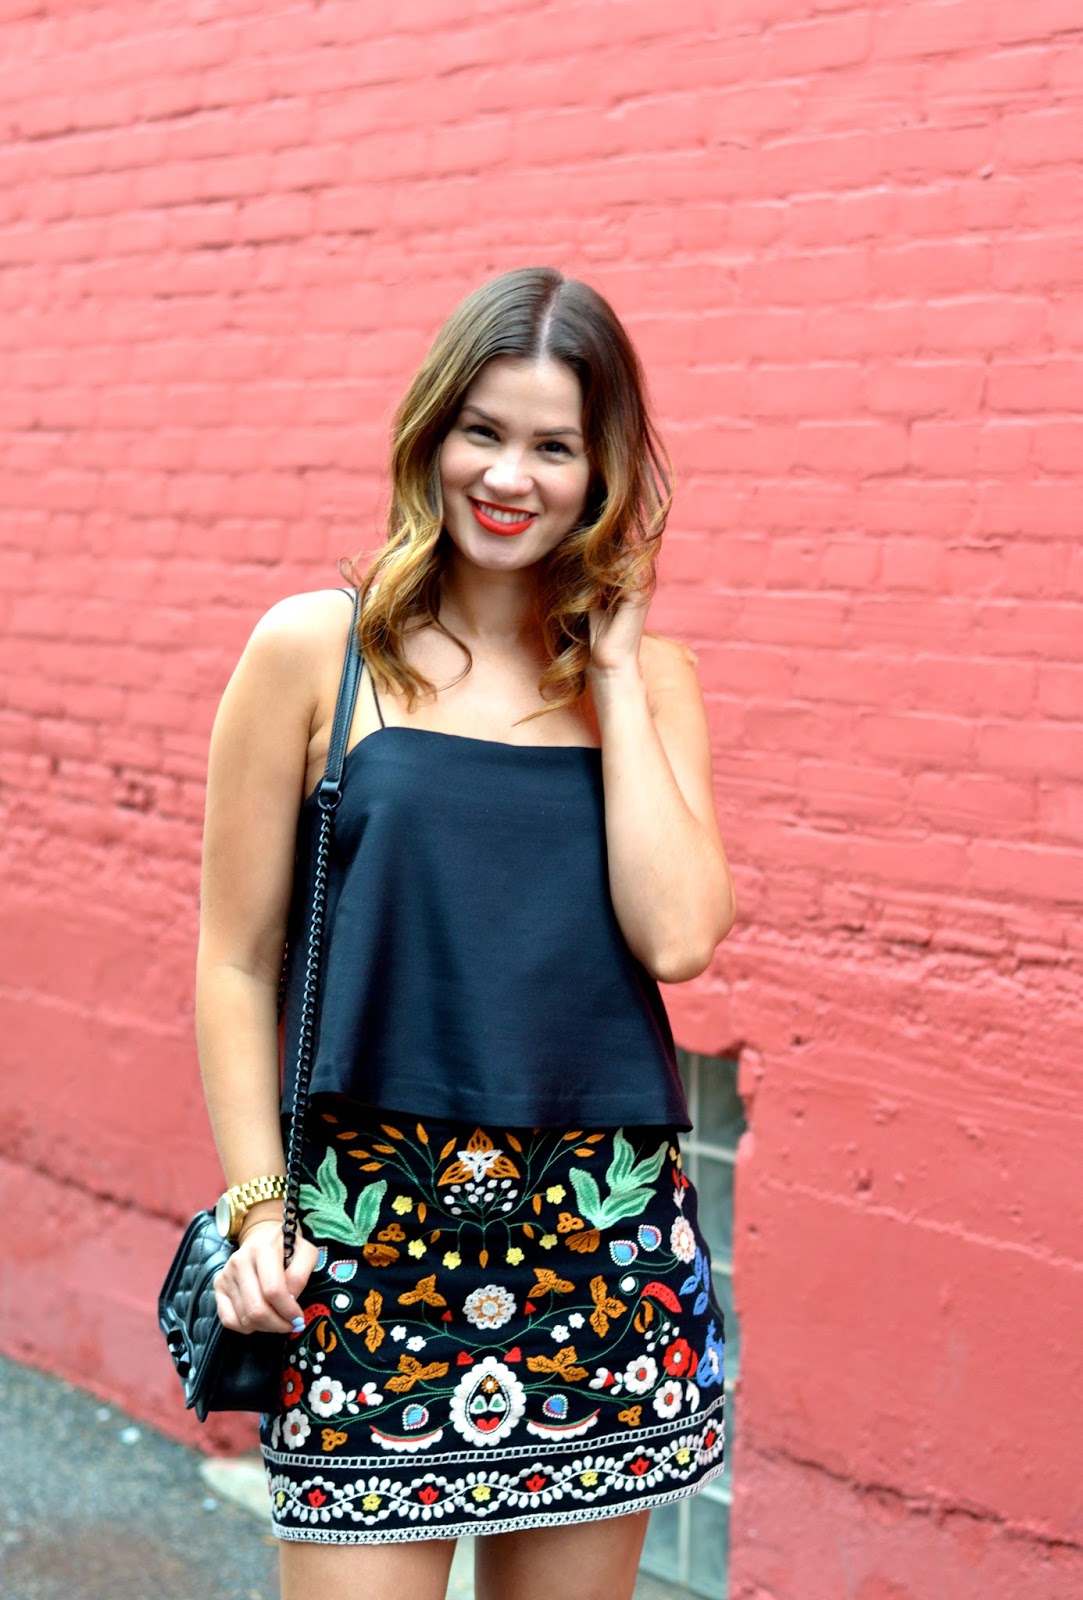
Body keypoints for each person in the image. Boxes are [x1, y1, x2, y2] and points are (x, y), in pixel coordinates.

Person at [196, 266, 736, 1600]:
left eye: (554, 446)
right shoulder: (315, 653)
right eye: (482, 431)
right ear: (430, 432)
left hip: (601, 1238)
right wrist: (258, 1204)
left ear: (602, 472)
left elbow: (678, 939)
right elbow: (236, 959)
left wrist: (613, 671)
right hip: (363, 1230)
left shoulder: (651, 682)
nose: (509, 476)